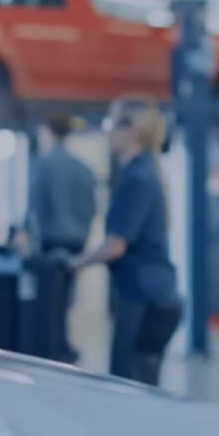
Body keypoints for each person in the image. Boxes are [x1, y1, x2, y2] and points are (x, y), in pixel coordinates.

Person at [68, 97, 182, 386]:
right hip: (156, 296)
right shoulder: (146, 172)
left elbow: (115, 247)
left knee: (125, 388)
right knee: (142, 389)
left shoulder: (137, 178)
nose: (106, 131)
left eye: (110, 123)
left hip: (143, 298)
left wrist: (74, 263)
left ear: (131, 131)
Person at [17, 112, 96, 363]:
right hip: (77, 240)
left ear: (48, 132)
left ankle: (52, 348)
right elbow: (92, 206)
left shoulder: (44, 163)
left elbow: (35, 203)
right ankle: (62, 346)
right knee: (65, 299)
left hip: (53, 240)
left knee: (50, 299)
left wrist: (26, 233)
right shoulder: (83, 168)